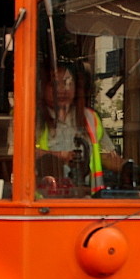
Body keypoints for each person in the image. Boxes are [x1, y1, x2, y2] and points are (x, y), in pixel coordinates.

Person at [36, 63, 120, 195]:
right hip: (44, 201)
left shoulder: (90, 117)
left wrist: (127, 167)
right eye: (54, 84)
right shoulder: (31, 119)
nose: (62, 89)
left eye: (68, 83)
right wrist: (60, 156)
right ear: (42, 87)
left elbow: (106, 155)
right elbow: (19, 156)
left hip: (87, 199)